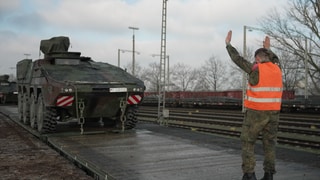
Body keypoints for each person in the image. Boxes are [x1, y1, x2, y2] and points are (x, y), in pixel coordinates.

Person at [225, 30, 283, 180]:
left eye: (255, 59)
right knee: (269, 144)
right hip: (274, 114)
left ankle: (249, 174)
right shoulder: (278, 69)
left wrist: (228, 44)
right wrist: (268, 49)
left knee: (248, 142)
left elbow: (237, 59)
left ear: (257, 58)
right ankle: (269, 174)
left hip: (256, 113)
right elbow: (274, 59)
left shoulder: (256, 69)